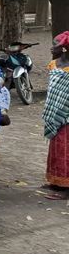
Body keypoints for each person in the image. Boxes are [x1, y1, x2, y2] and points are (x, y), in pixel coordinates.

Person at [45, 31, 69, 198]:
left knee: (66, 150)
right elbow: (53, 90)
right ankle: (56, 181)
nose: (52, 47)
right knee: (56, 148)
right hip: (55, 113)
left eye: (56, 45)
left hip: (67, 114)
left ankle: (66, 188)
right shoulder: (54, 64)